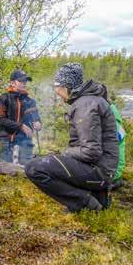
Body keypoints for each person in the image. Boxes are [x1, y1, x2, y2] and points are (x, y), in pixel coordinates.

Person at [25, 63, 119, 213]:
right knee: (51, 160)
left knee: (34, 168)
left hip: (99, 171)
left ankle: (83, 201)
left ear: (66, 86)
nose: (57, 92)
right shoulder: (90, 100)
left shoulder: (85, 105)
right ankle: (97, 196)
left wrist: (65, 153)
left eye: (57, 87)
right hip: (103, 170)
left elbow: (91, 152)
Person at [0, 69, 42, 165]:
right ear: (12, 83)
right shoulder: (3, 98)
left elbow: (36, 118)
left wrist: (38, 124)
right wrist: (21, 126)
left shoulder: (30, 101)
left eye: (25, 81)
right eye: (21, 81)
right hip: (6, 140)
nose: (24, 83)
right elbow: (1, 120)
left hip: (25, 141)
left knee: (27, 168)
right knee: (5, 168)